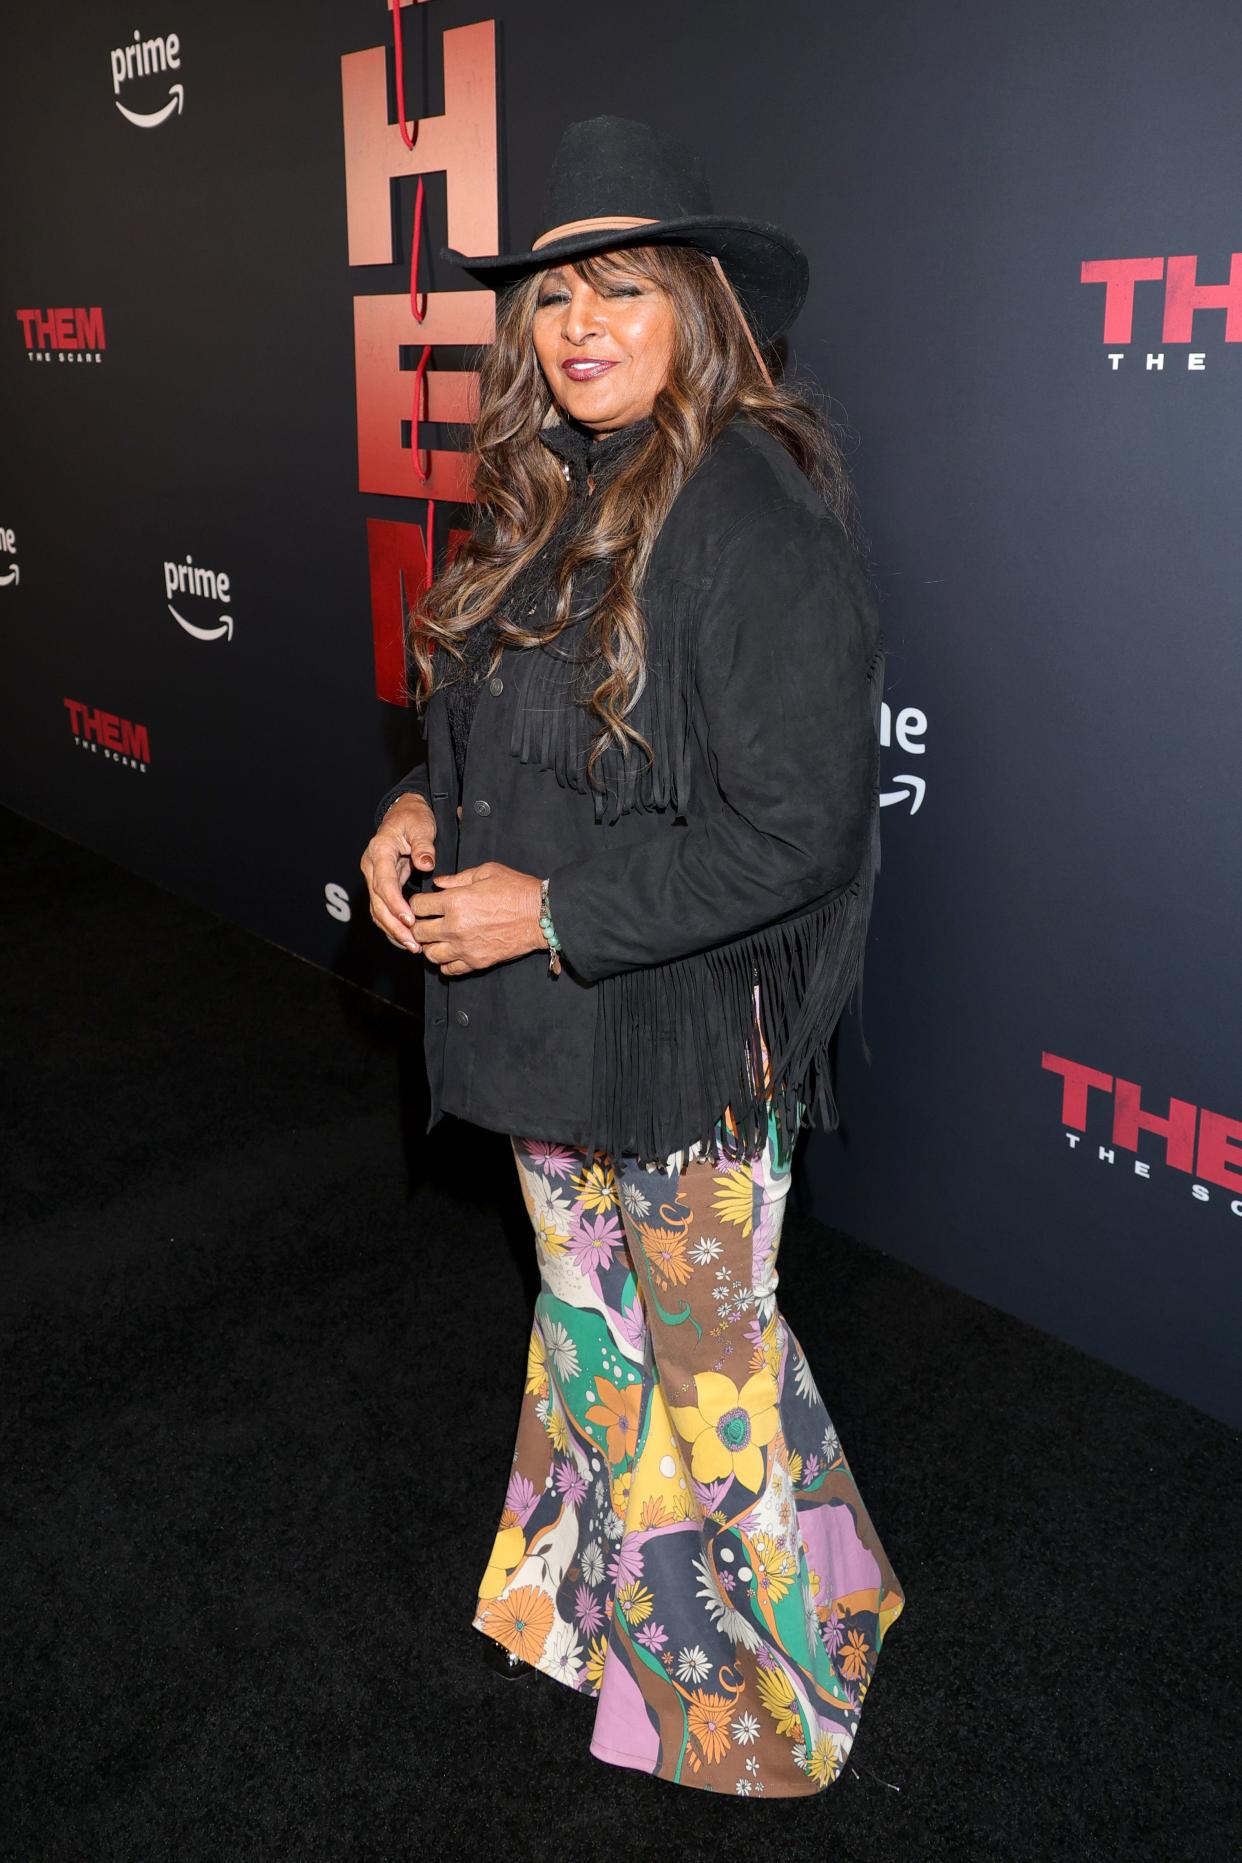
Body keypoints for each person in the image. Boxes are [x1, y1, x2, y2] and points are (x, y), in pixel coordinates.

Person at [360, 115, 905, 1797]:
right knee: (594, 1327)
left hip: (676, 1031)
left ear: (700, 308)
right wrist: (412, 807)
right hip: (546, 1028)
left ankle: (767, 1709)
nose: (578, 325)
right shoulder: (549, 486)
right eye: (551, 299)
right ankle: (603, 1607)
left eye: (619, 290)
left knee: (709, 1362)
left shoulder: (753, 510)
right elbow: (507, 736)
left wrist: (551, 911)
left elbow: (796, 831)